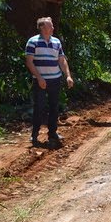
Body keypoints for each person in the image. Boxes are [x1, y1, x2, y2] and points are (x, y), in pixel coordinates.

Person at [25, 16, 74, 149]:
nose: (53, 28)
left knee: (54, 107)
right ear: (42, 27)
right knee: (39, 107)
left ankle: (52, 133)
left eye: (52, 25)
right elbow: (29, 62)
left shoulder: (56, 42)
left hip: (55, 79)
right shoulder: (33, 41)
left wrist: (68, 76)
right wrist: (39, 78)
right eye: (50, 25)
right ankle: (34, 134)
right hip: (40, 81)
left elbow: (62, 60)